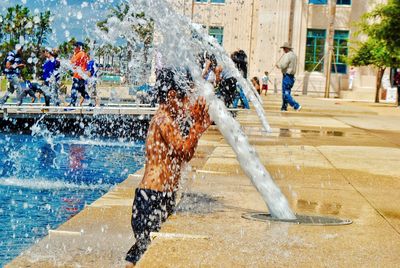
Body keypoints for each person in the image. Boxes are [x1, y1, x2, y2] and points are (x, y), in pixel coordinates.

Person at [125, 68, 211, 267]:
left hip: (161, 195)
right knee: (147, 251)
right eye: (184, 98)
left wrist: (198, 127)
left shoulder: (169, 119)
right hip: (151, 197)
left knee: (144, 251)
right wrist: (197, 126)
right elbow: (184, 151)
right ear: (172, 94)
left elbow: (185, 154)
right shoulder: (163, 119)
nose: (186, 105)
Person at [276, 42, 301, 112]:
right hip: (292, 76)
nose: (283, 50)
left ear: (287, 48)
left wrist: (278, 66)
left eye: (284, 48)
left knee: (285, 93)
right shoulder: (294, 55)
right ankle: (284, 107)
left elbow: (284, 65)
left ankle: (296, 106)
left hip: (287, 76)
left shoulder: (287, 55)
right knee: (287, 92)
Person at [69, 42, 90, 106]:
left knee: (74, 90)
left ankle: (72, 104)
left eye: (75, 46)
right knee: (82, 91)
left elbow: (71, 63)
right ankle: (90, 104)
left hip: (79, 76)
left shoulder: (80, 54)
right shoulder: (81, 54)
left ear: (79, 47)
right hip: (80, 75)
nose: (73, 48)